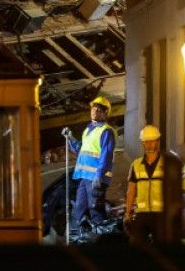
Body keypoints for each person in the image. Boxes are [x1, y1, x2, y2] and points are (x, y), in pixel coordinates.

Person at [62, 96, 116, 240]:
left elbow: (106, 155)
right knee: (79, 207)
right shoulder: (88, 130)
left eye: (99, 109)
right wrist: (71, 139)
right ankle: (77, 236)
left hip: (96, 179)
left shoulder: (106, 131)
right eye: (93, 108)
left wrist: (99, 175)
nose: (95, 111)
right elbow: (82, 151)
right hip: (85, 177)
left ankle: (100, 240)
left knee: (95, 209)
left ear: (105, 113)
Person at [124, 125, 166, 244]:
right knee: (135, 245)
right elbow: (131, 189)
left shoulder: (166, 163)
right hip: (141, 214)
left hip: (160, 215)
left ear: (157, 141)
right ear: (142, 143)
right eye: (146, 142)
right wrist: (128, 213)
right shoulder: (136, 164)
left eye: (152, 141)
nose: (149, 145)